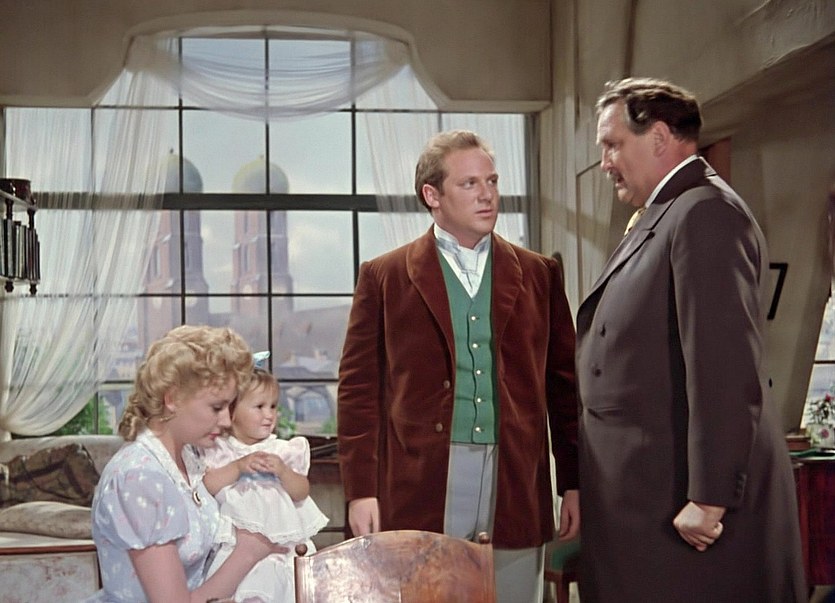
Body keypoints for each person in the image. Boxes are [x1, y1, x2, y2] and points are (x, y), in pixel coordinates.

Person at [575, 77, 806, 601]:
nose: (605, 162)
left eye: (612, 145)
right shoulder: (666, 213)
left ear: (659, 137)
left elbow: (723, 366)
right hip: (646, 496)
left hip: (683, 507)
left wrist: (710, 497)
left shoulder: (705, 213)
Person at [337, 129, 580, 603]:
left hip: (514, 474)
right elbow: (358, 391)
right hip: (422, 476)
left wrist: (573, 482)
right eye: (469, 183)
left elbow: (564, 388)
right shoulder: (384, 277)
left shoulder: (538, 273)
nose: (487, 194)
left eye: (492, 181)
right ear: (433, 195)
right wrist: (360, 490)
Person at [89, 325, 289, 603]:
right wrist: (248, 553)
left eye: (229, 407)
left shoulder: (188, 458)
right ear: (172, 399)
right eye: (216, 407)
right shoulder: (140, 477)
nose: (226, 421)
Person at [201, 367, 329, 603]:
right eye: (259, 407)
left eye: (273, 406)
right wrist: (237, 467)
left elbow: (301, 492)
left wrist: (283, 472)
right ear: (232, 411)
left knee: (284, 586)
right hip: (239, 545)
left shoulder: (283, 450)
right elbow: (208, 485)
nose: (269, 415)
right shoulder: (222, 450)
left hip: (282, 544)